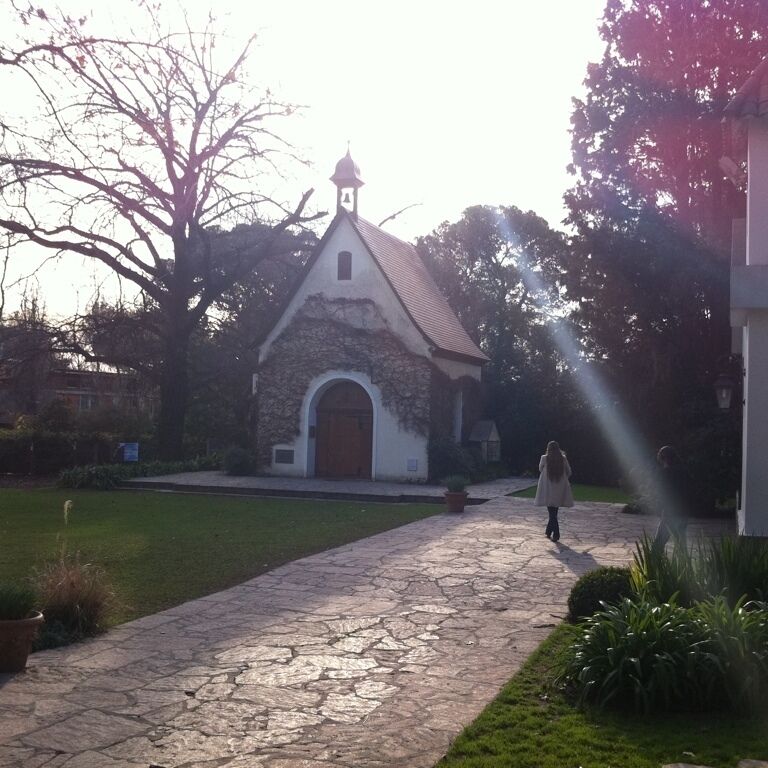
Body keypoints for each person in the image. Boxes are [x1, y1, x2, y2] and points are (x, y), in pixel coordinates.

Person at [534, 441, 574, 542]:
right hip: (559, 488)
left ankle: (556, 534)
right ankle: (548, 532)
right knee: (554, 511)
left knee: (551, 512)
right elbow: (569, 471)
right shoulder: (563, 459)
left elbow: (540, 469)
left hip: (548, 488)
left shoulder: (544, 458)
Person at [653, 445, 691, 549]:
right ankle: (683, 560)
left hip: (670, 512)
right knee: (681, 543)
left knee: (659, 542)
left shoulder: (665, 473)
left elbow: (663, 493)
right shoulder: (684, 471)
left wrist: (660, 509)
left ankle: (654, 559)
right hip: (683, 511)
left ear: (663, 458)